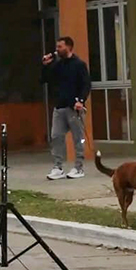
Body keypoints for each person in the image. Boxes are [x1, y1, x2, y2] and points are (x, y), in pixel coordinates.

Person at [41, 36, 91, 180]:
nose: (57, 50)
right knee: (56, 136)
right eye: (57, 47)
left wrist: (81, 100)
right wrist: (45, 65)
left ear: (69, 47)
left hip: (74, 107)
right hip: (59, 107)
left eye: (60, 47)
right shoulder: (57, 65)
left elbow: (86, 84)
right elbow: (44, 79)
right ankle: (58, 167)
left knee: (78, 138)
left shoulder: (79, 64)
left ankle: (78, 167)